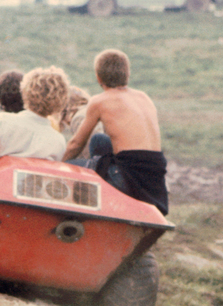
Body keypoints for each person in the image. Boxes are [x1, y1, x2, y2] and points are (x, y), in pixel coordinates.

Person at [62, 49, 168, 215]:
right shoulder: (144, 97)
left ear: (98, 77)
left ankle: (83, 216)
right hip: (155, 178)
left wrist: (58, 164)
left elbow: (76, 144)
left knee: (69, 169)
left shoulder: (99, 101)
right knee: (98, 140)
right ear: (127, 74)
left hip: (128, 176)